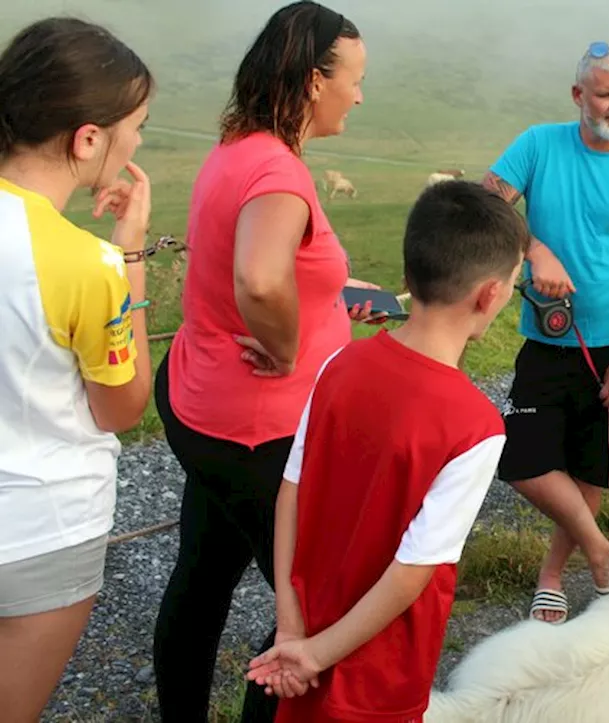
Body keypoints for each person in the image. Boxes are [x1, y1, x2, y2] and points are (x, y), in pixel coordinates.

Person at [150, 3, 380, 720]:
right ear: (315, 81)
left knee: (203, 572)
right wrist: (286, 346)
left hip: (203, 401)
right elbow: (256, 277)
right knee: (314, 601)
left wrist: (334, 302)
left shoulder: (239, 146)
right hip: (259, 428)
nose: (360, 95)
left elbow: (260, 265)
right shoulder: (280, 173)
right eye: (355, 79)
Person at [243, 181, 528, 721]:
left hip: (306, 621)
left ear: (408, 273)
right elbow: (411, 572)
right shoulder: (477, 428)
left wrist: (289, 621)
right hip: (378, 673)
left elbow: (291, 493)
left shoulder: (338, 365)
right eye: (515, 280)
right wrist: (312, 657)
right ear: (489, 294)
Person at [482, 41, 609, 624]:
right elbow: (485, 201)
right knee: (520, 459)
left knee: (592, 469)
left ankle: (553, 576)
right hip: (548, 340)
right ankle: (603, 552)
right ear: (579, 95)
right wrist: (534, 247)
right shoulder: (538, 144)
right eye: (606, 94)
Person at [0, 18, 155, 720]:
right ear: (88, 138)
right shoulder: (87, 265)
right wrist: (129, 258)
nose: (139, 144)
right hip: (41, 527)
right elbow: (120, 408)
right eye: (138, 125)